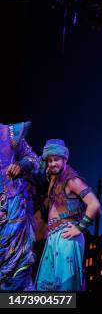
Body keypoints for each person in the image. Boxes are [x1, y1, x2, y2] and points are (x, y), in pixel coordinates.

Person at [36, 139, 101, 291]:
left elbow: (94, 204)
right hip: (53, 237)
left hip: (67, 237)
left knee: (66, 287)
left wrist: (80, 228)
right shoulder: (54, 182)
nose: (53, 163)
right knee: (46, 287)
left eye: (56, 159)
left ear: (64, 159)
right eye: (50, 160)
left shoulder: (72, 181)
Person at [0, 121, 40, 290]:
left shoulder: (8, 134)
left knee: (14, 275)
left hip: (12, 211)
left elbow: (34, 160)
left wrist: (20, 165)